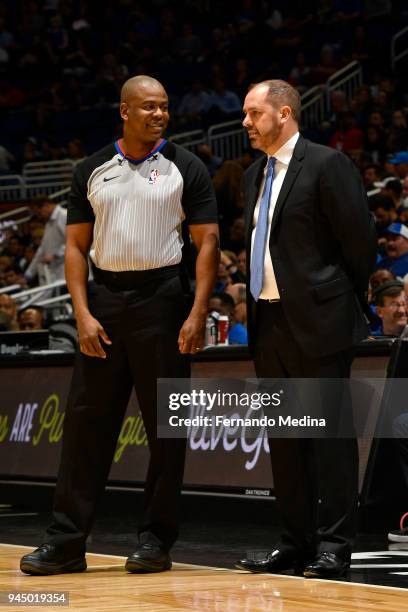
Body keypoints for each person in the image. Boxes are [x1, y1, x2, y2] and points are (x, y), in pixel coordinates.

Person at [20, 75, 219, 576]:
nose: (160, 115)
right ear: (125, 112)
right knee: (86, 427)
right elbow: (74, 248)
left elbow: (208, 243)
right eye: (149, 107)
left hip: (164, 301)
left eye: (165, 107)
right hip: (105, 302)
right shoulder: (91, 169)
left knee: (165, 431)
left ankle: (155, 541)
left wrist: (197, 312)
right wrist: (83, 313)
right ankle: (66, 542)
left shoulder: (186, 166)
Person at [236, 79, 377, 578]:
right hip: (268, 320)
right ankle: (294, 542)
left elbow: (359, 242)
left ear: (284, 113)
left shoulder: (327, 164)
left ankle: (335, 546)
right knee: (286, 440)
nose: (247, 123)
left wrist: (334, 297)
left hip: (318, 319)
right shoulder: (253, 173)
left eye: (254, 113)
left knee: (330, 440)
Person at [24, 196, 67, 286]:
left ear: (46, 205)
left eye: (39, 213)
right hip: (57, 274)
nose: (40, 216)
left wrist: (55, 255)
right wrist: (29, 274)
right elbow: (42, 250)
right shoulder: (49, 223)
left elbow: (75, 241)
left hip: (70, 270)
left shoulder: (64, 215)